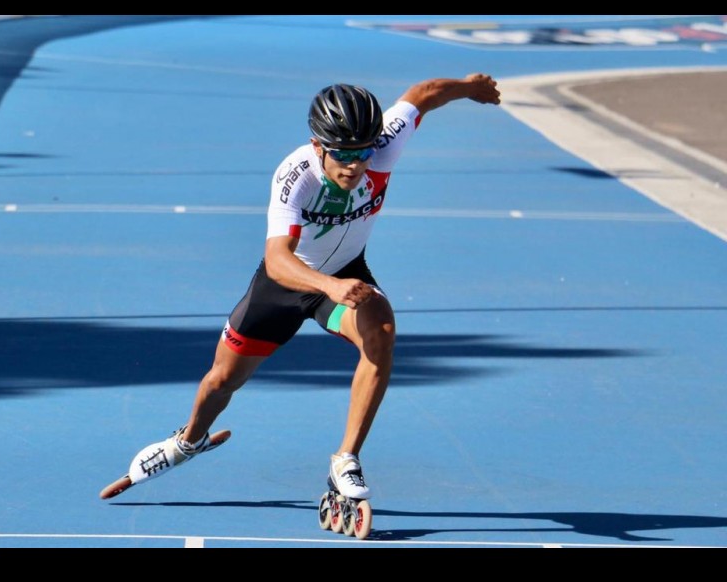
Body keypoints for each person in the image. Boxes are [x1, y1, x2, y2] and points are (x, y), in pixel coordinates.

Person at [118, 74, 501, 501]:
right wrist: (328, 286)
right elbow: (278, 259)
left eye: (363, 152)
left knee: (381, 332)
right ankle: (188, 442)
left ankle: (346, 459)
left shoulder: (383, 146)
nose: (355, 166)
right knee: (221, 381)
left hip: (345, 274)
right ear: (319, 146)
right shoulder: (296, 175)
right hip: (286, 281)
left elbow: (423, 95)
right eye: (343, 155)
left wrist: (469, 87)